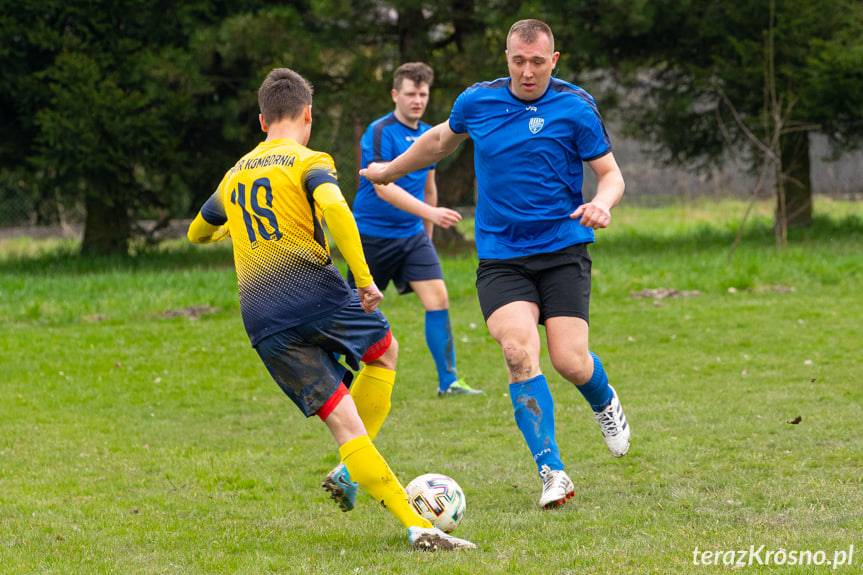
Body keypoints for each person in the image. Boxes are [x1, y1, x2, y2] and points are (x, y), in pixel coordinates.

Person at [187, 68, 475, 551]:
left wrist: (230, 227)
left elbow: (197, 232)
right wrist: (363, 280)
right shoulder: (308, 159)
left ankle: (412, 522)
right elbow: (338, 210)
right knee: (384, 351)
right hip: (316, 293)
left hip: (261, 317)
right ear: (308, 115)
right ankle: (360, 476)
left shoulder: (234, 174)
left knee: (344, 425)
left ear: (261, 121)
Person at [361, 20, 631, 509]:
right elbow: (439, 142)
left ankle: (603, 399)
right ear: (507, 58)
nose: (527, 72)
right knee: (516, 352)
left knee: (569, 361)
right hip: (502, 257)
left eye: (537, 62)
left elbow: (610, 174)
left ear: (554, 60)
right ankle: (552, 471)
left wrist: (604, 203)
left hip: (563, 250)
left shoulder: (575, 106)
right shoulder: (477, 102)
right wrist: (389, 171)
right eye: (517, 61)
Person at [352, 62, 482, 397]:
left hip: (412, 236)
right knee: (356, 309)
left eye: (423, 94)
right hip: (371, 236)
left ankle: (448, 381)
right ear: (395, 94)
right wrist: (432, 213)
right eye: (410, 93)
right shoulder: (379, 131)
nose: (417, 100)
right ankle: (337, 379)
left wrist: (426, 232)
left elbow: (428, 187)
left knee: (438, 297)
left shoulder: (429, 134)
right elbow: (383, 186)